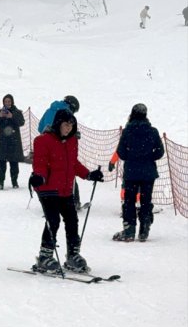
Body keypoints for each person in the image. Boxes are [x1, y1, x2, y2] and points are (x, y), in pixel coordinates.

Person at [29, 109, 104, 273]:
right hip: (48, 188)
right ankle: (45, 256)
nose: (68, 128)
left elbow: (73, 164)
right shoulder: (43, 140)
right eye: (65, 124)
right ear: (58, 124)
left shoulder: (71, 141)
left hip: (65, 189)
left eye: (71, 125)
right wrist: (39, 176)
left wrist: (89, 174)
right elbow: (40, 163)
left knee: (72, 221)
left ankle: (73, 255)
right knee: (53, 221)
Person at [112, 104, 164, 242]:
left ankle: (129, 230)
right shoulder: (153, 131)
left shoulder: (127, 132)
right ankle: (144, 228)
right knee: (146, 200)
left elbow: (121, 152)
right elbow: (160, 152)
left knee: (129, 201)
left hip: (131, 172)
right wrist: (148, 158)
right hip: (148, 173)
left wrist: (132, 157)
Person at [38, 95, 83, 207]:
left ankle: (49, 201)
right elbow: (69, 130)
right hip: (61, 145)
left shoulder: (49, 110)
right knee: (68, 171)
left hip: (46, 146)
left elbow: (40, 127)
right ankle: (74, 201)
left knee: (50, 173)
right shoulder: (66, 112)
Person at [0, 94, 25, 190]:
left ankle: (15, 182)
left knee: (14, 162)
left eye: (9, 101)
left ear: (12, 102)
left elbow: (22, 122)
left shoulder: (17, 112)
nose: (7, 103)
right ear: (3, 102)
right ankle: (0, 182)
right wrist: (0, 116)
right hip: (2, 141)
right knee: (1, 162)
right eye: (5, 101)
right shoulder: (0, 112)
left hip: (14, 141)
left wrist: (12, 116)